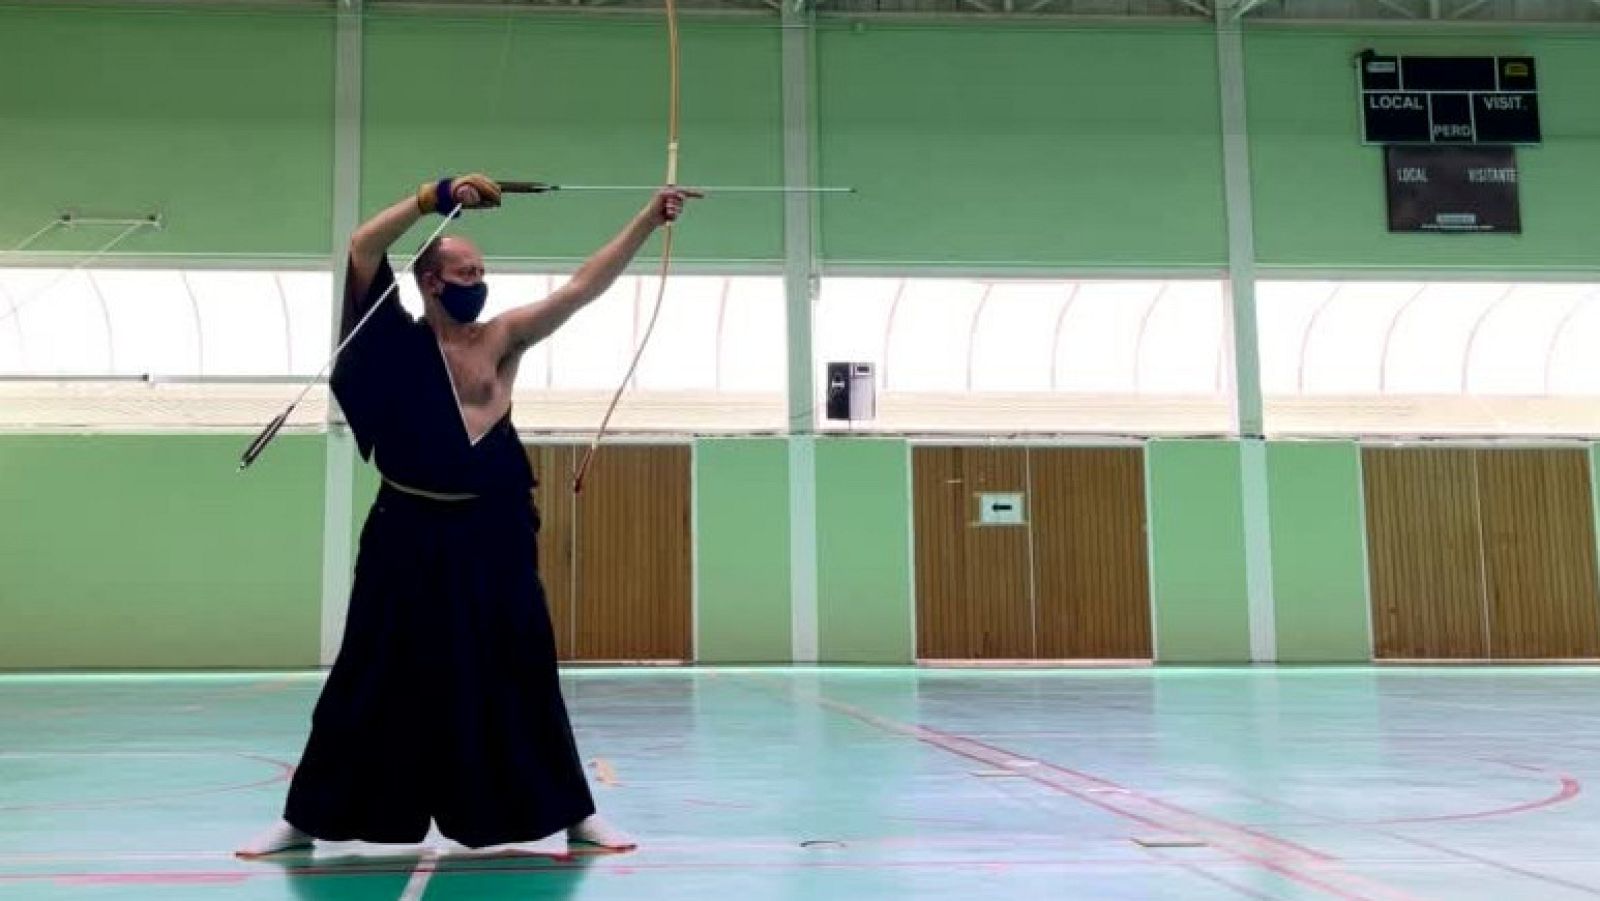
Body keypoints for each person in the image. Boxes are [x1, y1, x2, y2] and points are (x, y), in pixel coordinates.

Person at [238, 173, 697, 858]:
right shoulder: (393, 341)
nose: (479, 283)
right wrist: (435, 194)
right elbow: (363, 246)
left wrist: (647, 220)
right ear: (429, 281)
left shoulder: (502, 336)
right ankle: (303, 819)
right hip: (405, 528)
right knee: (370, 668)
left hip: (493, 531)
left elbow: (581, 288)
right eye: (465, 272)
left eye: (482, 272)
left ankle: (575, 815)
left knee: (523, 667)